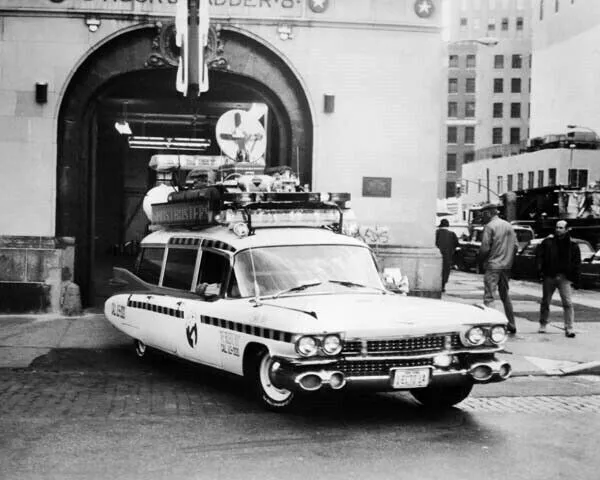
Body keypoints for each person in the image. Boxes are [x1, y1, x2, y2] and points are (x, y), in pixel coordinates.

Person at [477, 203, 519, 334]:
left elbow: (485, 248)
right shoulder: (508, 226)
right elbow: (516, 246)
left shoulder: (489, 227)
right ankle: (512, 323)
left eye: (483, 214)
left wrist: (480, 260)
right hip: (506, 266)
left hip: (493, 265)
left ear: (489, 213)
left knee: (489, 296)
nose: (482, 217)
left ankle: (492, 326)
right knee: (505, 295)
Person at [535, 220, 581, 338]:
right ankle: (543, 324)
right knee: (546, 301)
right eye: (557, 227)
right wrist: (541, 272)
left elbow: (576, 263)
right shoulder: (548, 242)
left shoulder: (573, 245)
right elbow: (540, 257)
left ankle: (569, 327)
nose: (558, 229)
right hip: (549, 276)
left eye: (561, 228)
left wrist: (575, 279)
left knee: (567, 302)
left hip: (564, 277)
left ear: (566, 229)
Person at [435, 219, 459, 292]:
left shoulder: (436, 233)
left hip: (436, 256)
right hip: (448, 256)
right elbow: (457, 245)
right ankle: (442, 286)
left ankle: (436, 285)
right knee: (445, 271)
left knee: (436, 271)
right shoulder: (452, 234)